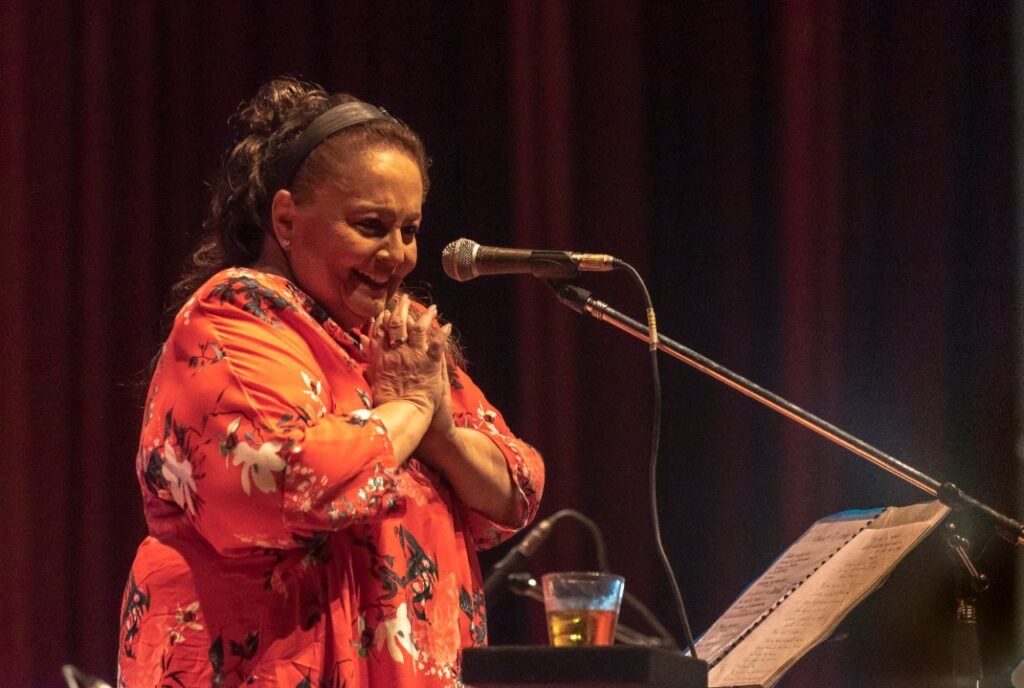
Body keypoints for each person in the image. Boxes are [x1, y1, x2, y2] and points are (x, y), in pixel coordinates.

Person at [117, 77, 545, 687]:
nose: (397, 255)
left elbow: (515, 489)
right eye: (371, 225)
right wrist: (412, 413)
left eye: (410, 229)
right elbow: (295, 476)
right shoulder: (234, 317)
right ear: (287, 218)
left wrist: (437, 425)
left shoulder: (395, 344)